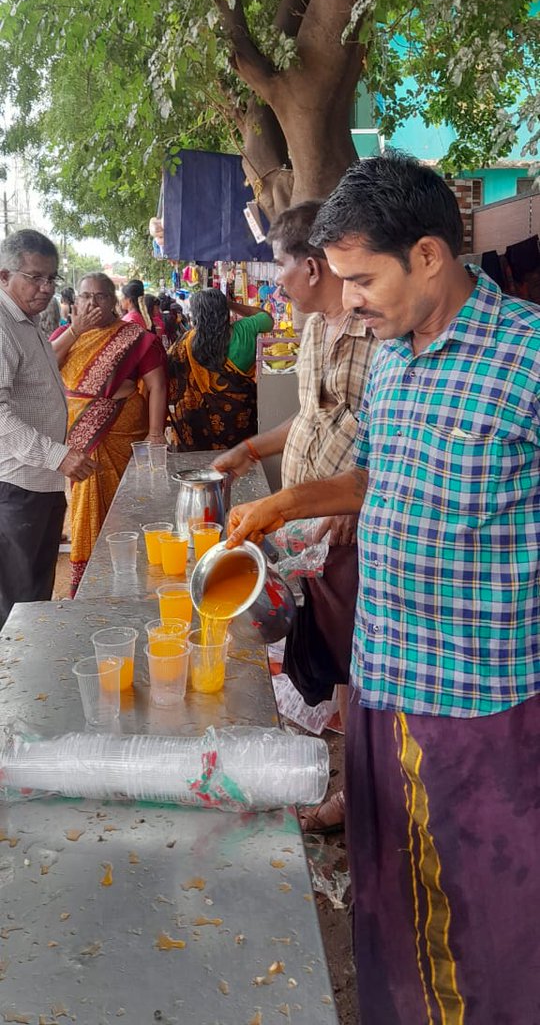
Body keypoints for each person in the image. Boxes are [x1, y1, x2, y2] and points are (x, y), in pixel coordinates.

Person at [225, 152, 540, 1025]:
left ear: (431, 256)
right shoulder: (395, 361)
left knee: (483, 923)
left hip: (481, 701)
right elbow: (372, 476)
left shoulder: (529, 362)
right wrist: (281, 505)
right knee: (391, 902)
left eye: (363, 279)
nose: (349, 300)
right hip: (385, 677)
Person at [214, 200, 377, 831]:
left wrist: (346, 506)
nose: (274, 279)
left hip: (352, 528)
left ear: (314, 266)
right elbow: (310, 418)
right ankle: (344, 786)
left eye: (279, 266)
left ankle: (356, 798)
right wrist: (251, 449)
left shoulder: (381, 336)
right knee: (335, 661)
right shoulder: (313, 328)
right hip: (307, 525)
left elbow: (383, 445)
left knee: (358, 670)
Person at [0, 230, 97, 627]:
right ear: (4, 276)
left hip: (42, 483)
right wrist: (58, 454)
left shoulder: (29, 320)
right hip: (17, 484)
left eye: (51, 278)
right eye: (35, 277)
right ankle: (15, 683)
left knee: (36, 592)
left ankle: (29, 674)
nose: (45, 288)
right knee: (18, 600)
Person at [50, 273, 167, 594]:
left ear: (113, 301)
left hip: (124, 433)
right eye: (86, 297)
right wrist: (75, 331)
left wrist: (156, 433)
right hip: (81, 437)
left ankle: (129, 575)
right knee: (85, 501)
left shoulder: (135, 337)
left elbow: (157, 386)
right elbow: (47, 365)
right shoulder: (66, 334)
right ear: (76, 302)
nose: (92, 303)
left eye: (100, 297)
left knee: (126, 506)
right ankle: (90, 582)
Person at [168, 288, 272, 451]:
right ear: (225, 309)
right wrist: (230, 304)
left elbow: (170, 374)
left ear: (196, 314)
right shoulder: (245, 329)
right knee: (238, 464)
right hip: (239, 419)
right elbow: (266, 318)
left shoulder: (185, 343)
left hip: (197, 424)